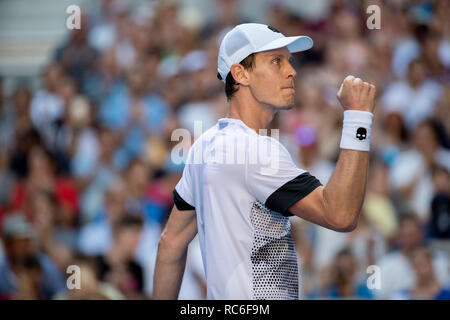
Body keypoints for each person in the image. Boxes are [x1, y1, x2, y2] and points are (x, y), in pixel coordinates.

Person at [153, 23, 376, 300]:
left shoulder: (206, 146)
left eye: (289, 61)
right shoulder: (255, 150)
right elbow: (340, 214)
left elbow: (170, 244)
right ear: (240, 74)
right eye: (276, 61)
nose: (291, 71)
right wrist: (358, 117)